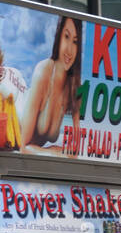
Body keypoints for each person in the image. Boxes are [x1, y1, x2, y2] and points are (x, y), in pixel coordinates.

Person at [19, 15, 82, 149]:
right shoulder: (44, 71)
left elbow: (76, 152)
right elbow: (23, 146)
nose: (69, 50)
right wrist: (54, 151)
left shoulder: (74, 87)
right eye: (66, 37)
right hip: (10, 127)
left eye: (75, 42)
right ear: (58, 37)